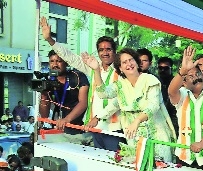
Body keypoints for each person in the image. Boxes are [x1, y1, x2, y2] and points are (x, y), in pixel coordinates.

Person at [41, 17, 124, 151]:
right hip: (94, 127)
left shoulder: (121, 72)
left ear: (114, 51)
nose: (105, 53)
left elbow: (117, 102)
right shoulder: (93, 68)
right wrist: (50, 40)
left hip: (113, 128)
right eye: (101, 50)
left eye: (108, 49)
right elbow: (70, 57)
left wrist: (98, 118)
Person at [82, 48, 175, 161]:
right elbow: (103, 94)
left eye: (131, 60)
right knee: (138, 169)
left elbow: (153, 105)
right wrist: (96, 70)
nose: (129, 64)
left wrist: (137, 120)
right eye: (124, 62)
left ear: (137, 62)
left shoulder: (150, 79)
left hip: (156, 135)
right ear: (120, 68)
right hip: (134, 136)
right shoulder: (120, 85)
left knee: (160, 169)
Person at [169, 46, 203, 170]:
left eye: (198, 73)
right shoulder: (182, 94)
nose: (197, 77)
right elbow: (171, 91)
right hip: (184, 156)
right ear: (184, 82)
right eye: (191, 76)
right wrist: (183, 71)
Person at [38, 50, 89, 135]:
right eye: (52, 61)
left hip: (79, 128)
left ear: (66, 62)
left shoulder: (78, 77)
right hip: (58, 129)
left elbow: (83, 103)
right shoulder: (48, 80)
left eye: (59, 61)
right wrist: (44, 95)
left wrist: (66, 120)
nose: (55, 65)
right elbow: (44, 115)